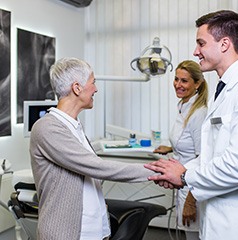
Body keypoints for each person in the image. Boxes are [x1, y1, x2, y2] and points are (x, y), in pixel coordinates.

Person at [145, 10, 238, 240]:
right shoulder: (221, 94)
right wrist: (178, 172)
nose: (195, 51)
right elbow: (211, 156)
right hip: (218, 224)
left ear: (224, 44)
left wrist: (184, 177)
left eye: (201, 43)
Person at [29, 57, 156, 240]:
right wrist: (156, 171)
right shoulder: (47, 127)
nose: (96, 88)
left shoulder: (74, 127)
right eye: (93, 82)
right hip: (64, 233)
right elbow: (96, 167)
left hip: (92, 231)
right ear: (77, 88)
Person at [153, 60, 208, 240]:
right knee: (188, 233)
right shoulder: (183, 106)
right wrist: (171, 147)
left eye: (184, 81)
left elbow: (204, 158)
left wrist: (191, 200)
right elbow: (190, 141)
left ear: (197, 83)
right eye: (176, 79)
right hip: (183, 182)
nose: (178, 84)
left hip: (193, 188)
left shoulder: (199, 113)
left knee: (194, 235)